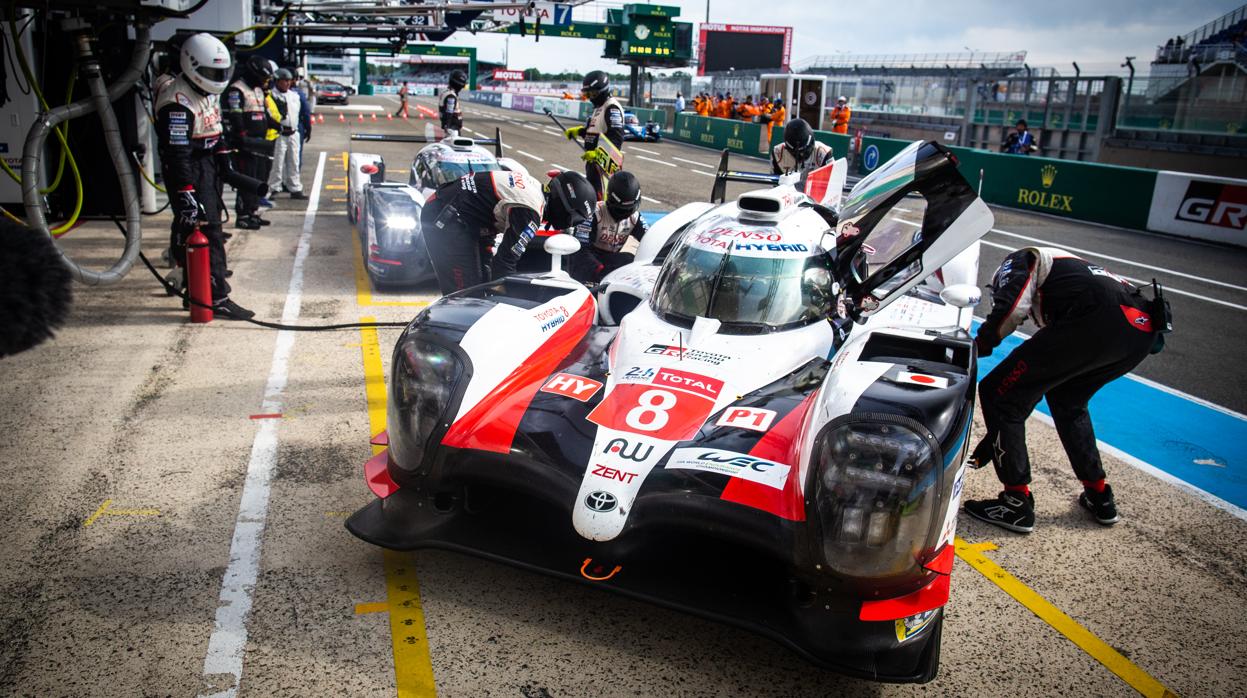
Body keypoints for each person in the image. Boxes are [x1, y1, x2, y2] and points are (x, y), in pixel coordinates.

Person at [963, 248, 1162, 533]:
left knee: (997, 392)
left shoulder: (1021, 259)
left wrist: (979, 345)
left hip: (1097, 317)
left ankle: (1015, 503)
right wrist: (998, 434)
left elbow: (1012, 308)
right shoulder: (1071, 272)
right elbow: (1031, 388)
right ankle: (1099, 494)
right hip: (1140, 333)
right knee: (1068, 401)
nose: (1031, 318)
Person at [154, 32, 254, 319]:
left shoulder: (206, 93)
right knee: (205, 232)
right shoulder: (177, 101)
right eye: (211, 72)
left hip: (206, 165)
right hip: (190, 169)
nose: (216, 77)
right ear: (191, 65)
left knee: (208, 230)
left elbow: (214, 129)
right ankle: (216, 297)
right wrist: (185, 190)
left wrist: (223, 158)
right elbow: (177, 155)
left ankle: (198, 291)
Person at [420, 170, 597, 295]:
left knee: (481, 284)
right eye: (573, 220)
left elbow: (484, 222)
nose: (569, 224)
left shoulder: (533, 188)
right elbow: (504, 264)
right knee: (465, 295)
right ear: (564, 206)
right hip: (446, 218)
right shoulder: (530, 211)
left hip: (452, 212)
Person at [223, 56, 275, 230]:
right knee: (247, 179)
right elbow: (236, 115)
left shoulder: (259, 90)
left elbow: (265, 114)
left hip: (260, 143)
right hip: (245, 145)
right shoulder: (236, 90)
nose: (264, 81)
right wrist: (241, 135)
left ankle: (253, 212)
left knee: (260, 179)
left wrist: (279, 126)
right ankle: (243, 215)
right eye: (262, 77)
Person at [568, 171, 647, 283]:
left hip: (609, 261)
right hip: (588, 260)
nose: (625, 214)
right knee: (581, 259)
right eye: (621, 210)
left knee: (630, 260)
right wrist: (600, 270)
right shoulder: (594, 213)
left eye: (630, 209)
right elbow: (580, 249)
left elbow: (650, 241)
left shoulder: (635, 218)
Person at [562, 70, 624, 199]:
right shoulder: (599, 107)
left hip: (605, 168)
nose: (590, 97)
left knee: (601, 204)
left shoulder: (612, 108)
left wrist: (599, 154)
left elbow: (616, 139)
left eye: (593, 93)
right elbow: (596, 133)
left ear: (603, 90)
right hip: (593, 164)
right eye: (587, 93)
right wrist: (580, 131)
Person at [267, 68, 305, 199]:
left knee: (294, 161)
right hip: (279, 133)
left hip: (293, 131)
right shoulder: (271, 95)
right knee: (277, 162)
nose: (287, 83)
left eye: (289, 81)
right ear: (277, 81)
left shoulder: (294, 96)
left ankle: (295, 187)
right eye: (284, 81)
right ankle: (273, 187)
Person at [439, 71, 467, 137]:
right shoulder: (451, 96)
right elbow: (449, 112)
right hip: (452, 129)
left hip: (451, 128)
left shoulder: (446, 92)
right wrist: (448, 126)